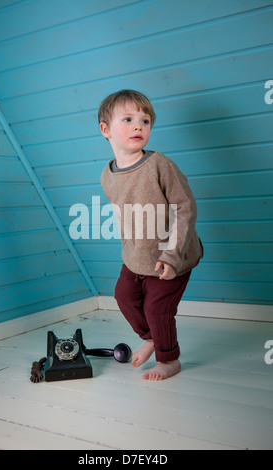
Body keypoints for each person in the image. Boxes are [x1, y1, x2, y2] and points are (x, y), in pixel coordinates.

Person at [99, 90, 203, 381]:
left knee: (157, 308)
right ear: (105, 129)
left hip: (172, 253)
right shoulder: (107, 175)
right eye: (129, 119)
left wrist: (172, 257)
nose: (138, 126)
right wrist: (130, 253)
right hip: (138, 254)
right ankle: (152, 338)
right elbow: (124, 217)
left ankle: (169, 360)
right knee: (123, 296)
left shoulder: (160, 165)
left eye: (145, 121)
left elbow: (185, 208)